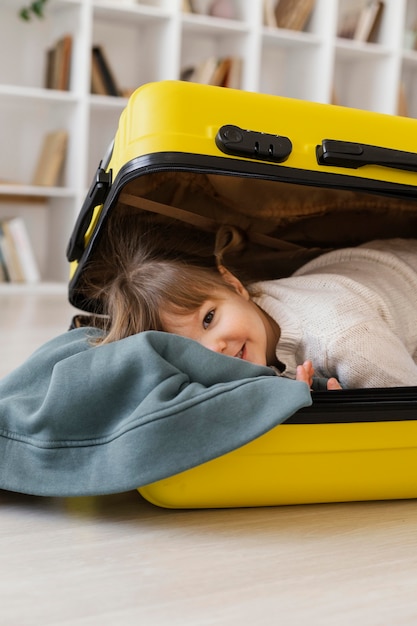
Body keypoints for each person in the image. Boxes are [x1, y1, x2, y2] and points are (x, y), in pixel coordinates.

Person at [85, 218, 417, 389]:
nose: (214, 349)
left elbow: (404, 411)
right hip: (360, 267)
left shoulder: (348, 339)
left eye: (208, 319)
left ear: (235, 285)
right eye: (190, 350)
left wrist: (353, 410)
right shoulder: (246, 325)